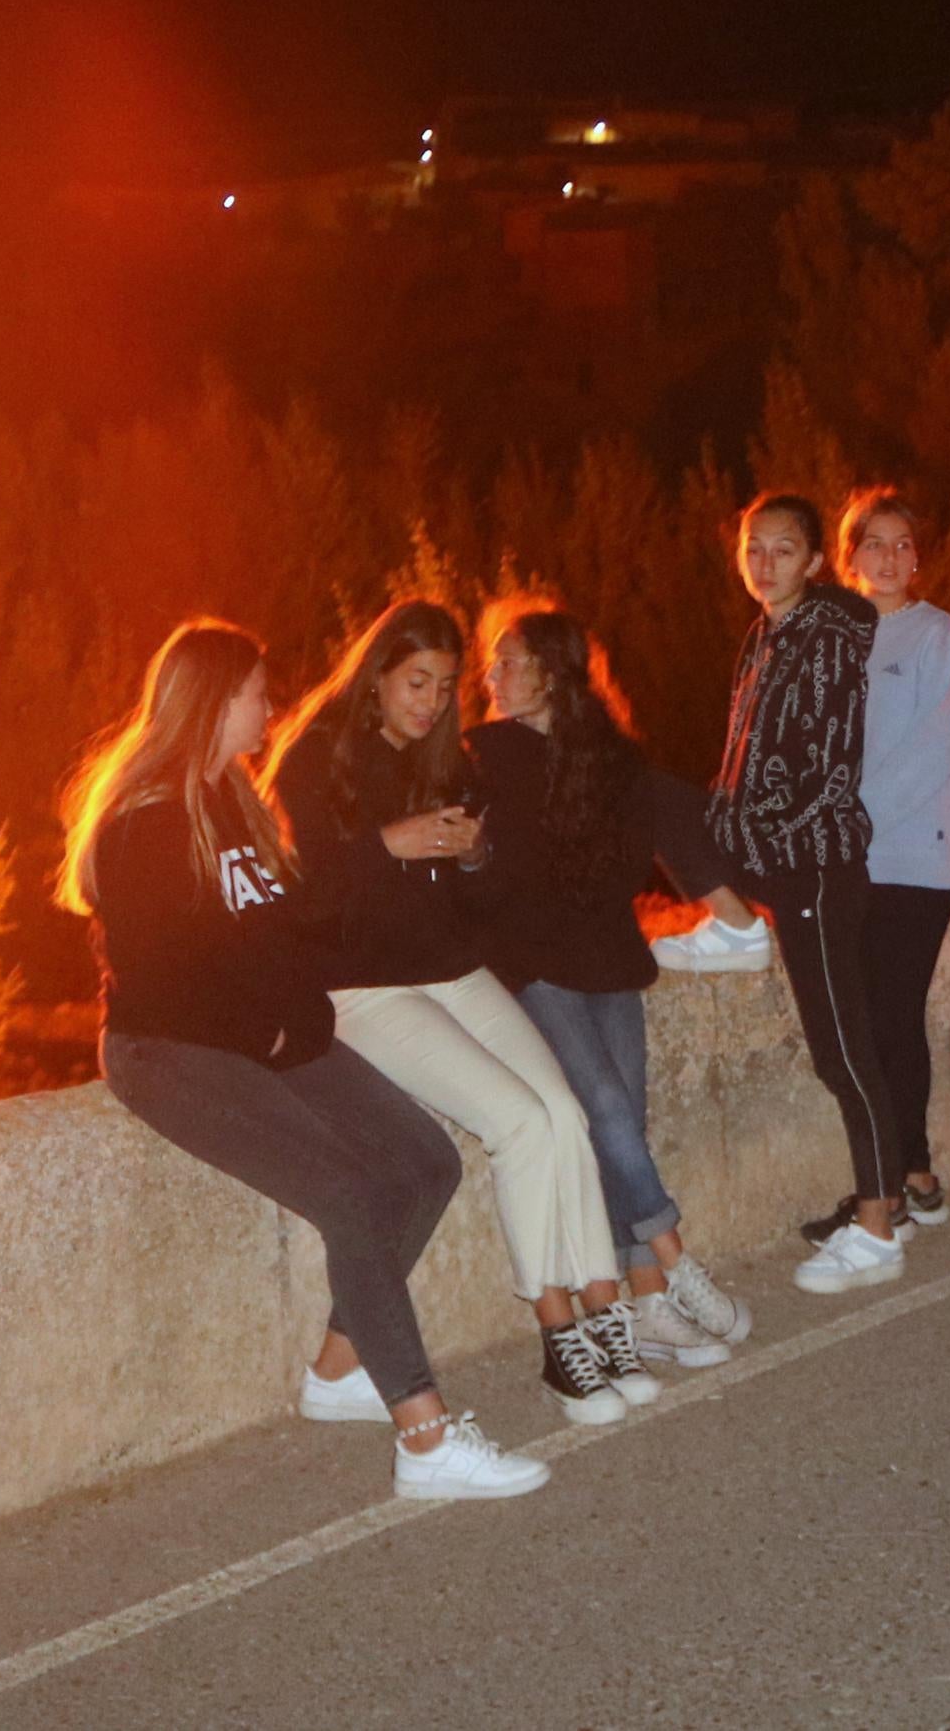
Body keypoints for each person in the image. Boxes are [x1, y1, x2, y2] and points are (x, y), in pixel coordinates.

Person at [65, 621, 541, 1503]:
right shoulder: (148, 819)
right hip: (172, 1050)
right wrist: (270, 1033)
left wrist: (302, 1013)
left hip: (266, 1033)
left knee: (425, 1161)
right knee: (349, 1194)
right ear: (213, 701)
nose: (268, 706)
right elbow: (161, 974)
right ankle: (425, 1436)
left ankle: (336, 1368)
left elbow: (283, 928)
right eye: (254, 691)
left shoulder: (234, 800)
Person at [270, 601, 658, 1426]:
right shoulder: (314, 761)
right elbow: (304, 899)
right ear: (376, 672)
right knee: (517, 1121)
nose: (431, 701)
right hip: (362, 989)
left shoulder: (446, 758)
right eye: (417, 682)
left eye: (446, 686)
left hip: (453, 970)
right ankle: (558, 1338)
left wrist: (474, 854)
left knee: (565, 1111)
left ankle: (603, 1310)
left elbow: (482, 895)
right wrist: (389, 844)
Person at [463, 598, 757, 1372]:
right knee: (601, 1107)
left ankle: (648, 1300)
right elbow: (486, 871)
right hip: (535, 963)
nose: (491, 674)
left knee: (627, 1119)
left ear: (552, 673)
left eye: (509, 660)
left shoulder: (611, 760)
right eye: (491, 661)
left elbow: (644, 851)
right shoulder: (482, 754)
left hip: (610, 957)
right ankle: (678, 1261)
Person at [706, 492, 909, 1293]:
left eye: (782, 549)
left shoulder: (826, 633)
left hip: (813, 866)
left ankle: (878, 1224)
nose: (764, 564)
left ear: (816, 560)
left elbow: (822, 765)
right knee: (842, 1045)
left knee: (842, 1049)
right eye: (753, 548)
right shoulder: (765, 634)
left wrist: (749, 841)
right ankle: (881, 1200)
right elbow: (742, 755)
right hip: (778, 859)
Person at [831, 486, 950, 1232]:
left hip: (913, 858)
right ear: (848, 555)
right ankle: (903, 1170)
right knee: (864, 1021)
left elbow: (931, 750)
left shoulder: (934, 635)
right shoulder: (836, 638)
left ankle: (892, 1179)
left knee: (890, 1013)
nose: (886, 557)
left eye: (900, 544)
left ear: (916, 557)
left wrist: (846, 823)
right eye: (872, 543)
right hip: (849, 862)